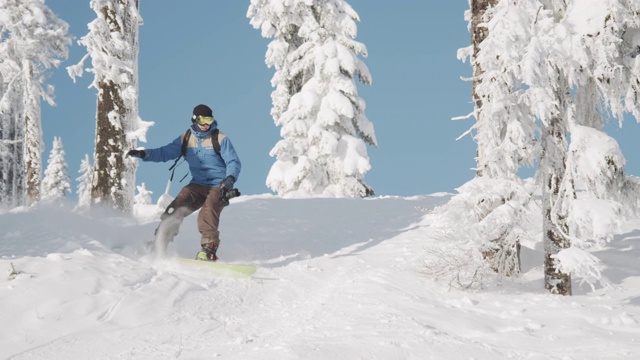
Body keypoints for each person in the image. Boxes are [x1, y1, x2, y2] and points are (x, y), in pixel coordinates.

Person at [127, 104, 241, 261]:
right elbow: (165, 152)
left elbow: (233, 162)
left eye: (209, 120)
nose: (206, 124)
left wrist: (229, 180)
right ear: (194, 120)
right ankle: (159, 243)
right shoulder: (186, 138)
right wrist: (144, 154)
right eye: (202, 120)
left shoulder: (220, 138)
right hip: (197, 184)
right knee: (176, 208)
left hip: (218, 185)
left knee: (207, 212)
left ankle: (208, 250)